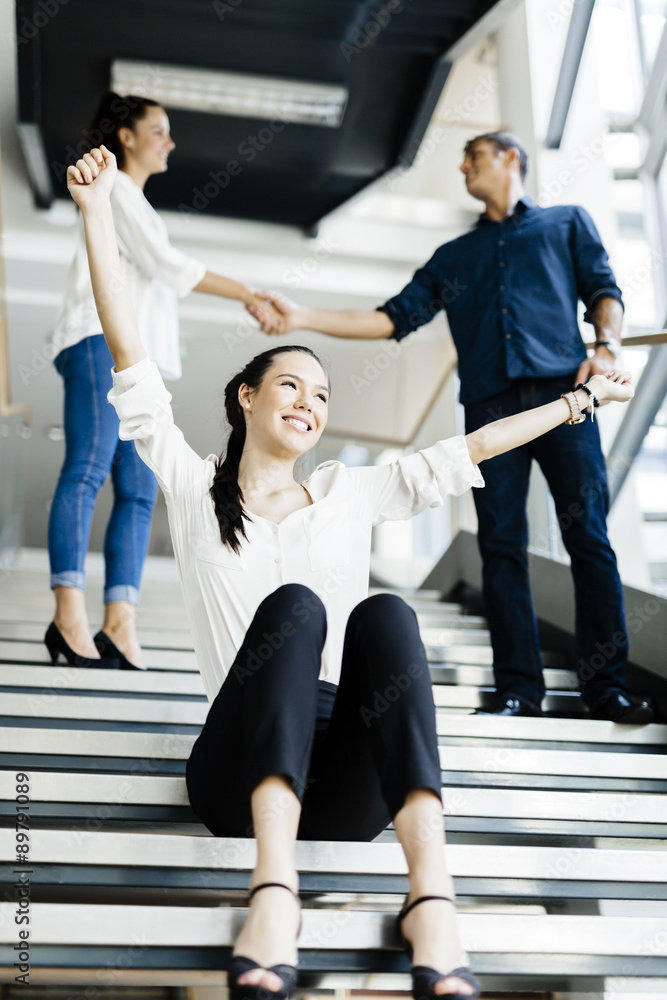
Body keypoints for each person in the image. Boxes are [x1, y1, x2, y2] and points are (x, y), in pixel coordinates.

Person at [64, 144, 633, 1000]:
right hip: (236, 768)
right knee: (295, 606)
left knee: (387, 617)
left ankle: (431, 899)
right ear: (247, 398)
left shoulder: (349, 494)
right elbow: (128, 346)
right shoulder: (189, 483)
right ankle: (273, 889)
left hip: (348, 783)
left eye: (322, 396)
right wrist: (97, 213)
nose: (308, 402)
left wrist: (579, 400)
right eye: (290, 384)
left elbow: (471, 445)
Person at [249, 131, 653, 725]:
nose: (463, 167)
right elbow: (390, 319)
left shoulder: (567, 222)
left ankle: (607, 689)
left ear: (511, 158)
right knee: (499, 547)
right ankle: (519, 690)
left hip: (568, 398)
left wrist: (609, 347)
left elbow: (604, 292)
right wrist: (300, 314)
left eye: (475, 156)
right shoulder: (453, 258)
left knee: (588, 538)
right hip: (490, 409)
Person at [46, 92, 283, 672]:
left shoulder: (139, 202)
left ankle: (119, 622)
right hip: (98, 342)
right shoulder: (116, 190)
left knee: (140, 490)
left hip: (139, 359)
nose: (170, 142)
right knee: (87, 469)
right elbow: (170, 268)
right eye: (160, 130)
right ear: (126, 136)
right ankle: (67, 613)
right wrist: (251, 294)